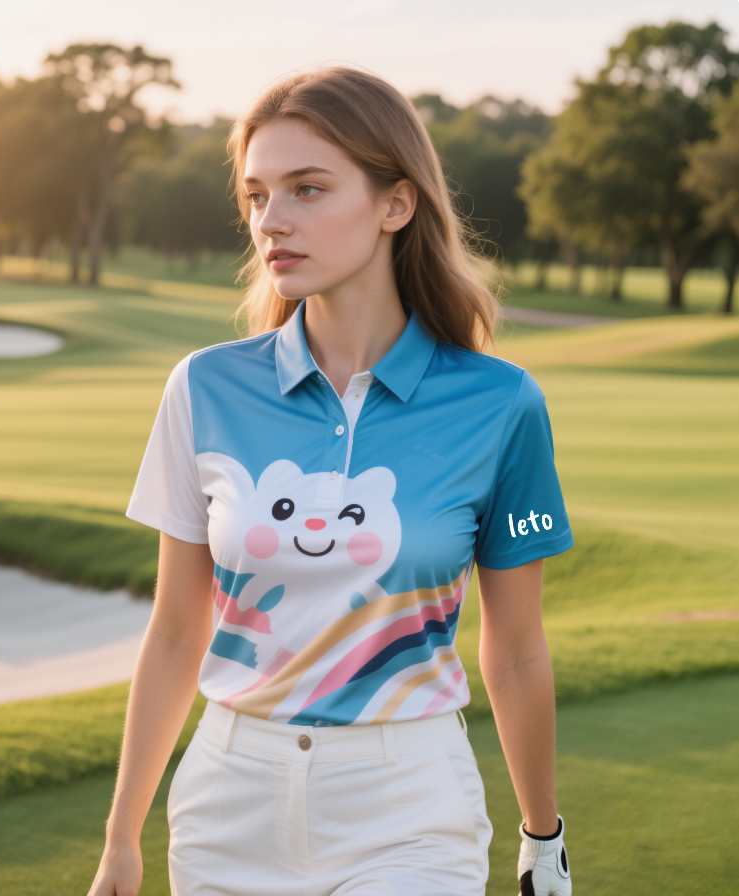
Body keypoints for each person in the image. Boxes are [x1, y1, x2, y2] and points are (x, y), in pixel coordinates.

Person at [88, 66, 574, 896]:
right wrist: (121, 839)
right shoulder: (204, 388)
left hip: (409, 802)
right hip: (228, 802)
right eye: (255, 195)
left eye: (307, 189)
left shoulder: (500, 404)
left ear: (396, 202)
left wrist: (542, 838)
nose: (271, 221)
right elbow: (175, 631)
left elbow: (518, 649)